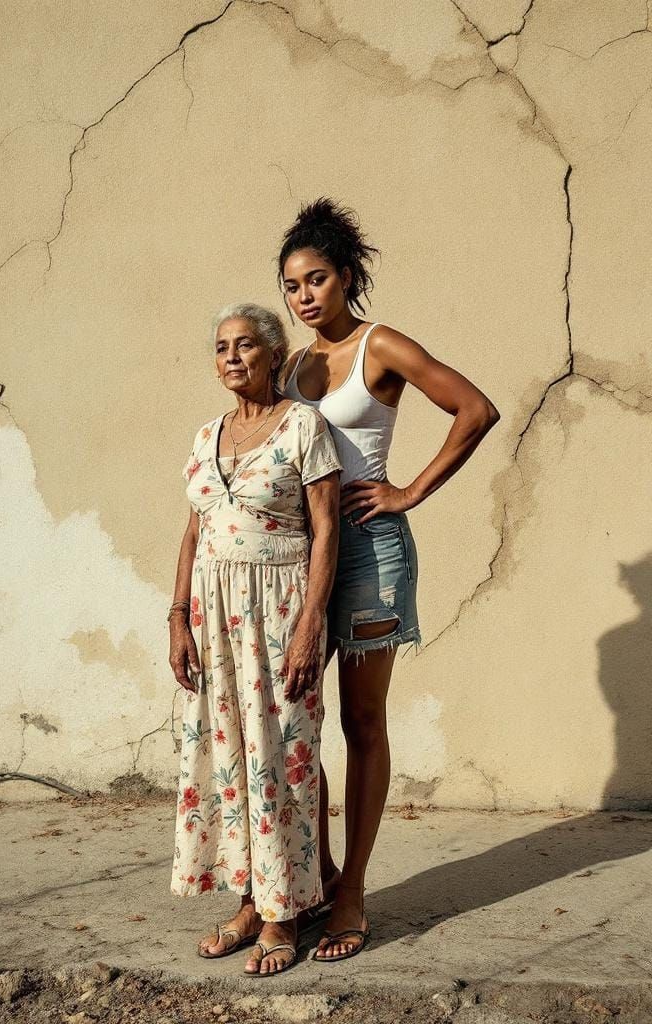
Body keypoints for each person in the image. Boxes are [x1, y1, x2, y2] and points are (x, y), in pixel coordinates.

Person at [278, 198, 501, 961]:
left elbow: (474, 408)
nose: (305, 296)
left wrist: (408, 490)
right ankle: (316, 875)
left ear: (346, 278)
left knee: (361, 724)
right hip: (304, 561)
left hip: (371, 555)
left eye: (316, 279)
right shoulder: (291, 365)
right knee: (291, 725)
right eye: (292, 286)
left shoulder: (381, 345)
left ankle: (352, 894)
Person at [169, 303, 342, 976]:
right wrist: (177, 616)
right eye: (221, 348)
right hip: (212, 619)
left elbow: (327, 529)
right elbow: (193, 533)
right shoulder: (207, 433)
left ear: (275, 354)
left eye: (246, 345)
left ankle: (285, 911)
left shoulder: (304, 426)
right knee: (230, 757)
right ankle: (251, 898)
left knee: (284, 754)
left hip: (279, 609)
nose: (233, 356)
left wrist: (309, 629)